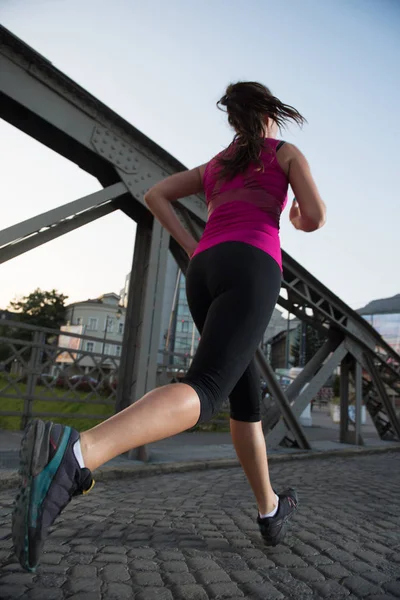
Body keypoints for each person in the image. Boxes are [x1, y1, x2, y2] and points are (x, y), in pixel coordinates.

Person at [12, 81, 326, 572]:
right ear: (270, 115)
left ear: (233, 119)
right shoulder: (284, 152)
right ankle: (78, 451)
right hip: (252, 265)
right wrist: (293, 215)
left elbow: (156, 193)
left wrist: (191, 241)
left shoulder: (215, 167)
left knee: (243, 399)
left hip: (205, 270)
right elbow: (316, 216)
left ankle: (269, 508)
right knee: (206, 387)